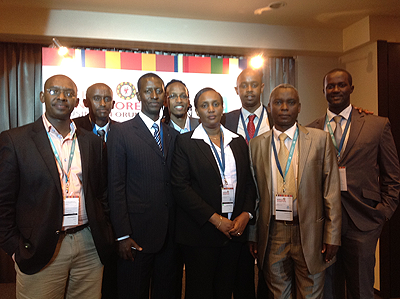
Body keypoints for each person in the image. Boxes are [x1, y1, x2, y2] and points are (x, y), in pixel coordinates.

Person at [0, 74, 114, 298]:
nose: (62, 97)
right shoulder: (15, 140)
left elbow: (100, 193)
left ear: (77, 100)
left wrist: (106, 234)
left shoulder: (92, 142)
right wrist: (15, 248)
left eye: (69, 93)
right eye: (54, 91)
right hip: (40, 246)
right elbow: (3, 202)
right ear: (42, 96)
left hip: (88, 243)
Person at [307, 69, 400, 299]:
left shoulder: (377, 125)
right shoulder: (311, 130)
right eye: (330, 86)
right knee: (327, 288)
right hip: (324, 223)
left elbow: (393, 176)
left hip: (364, 220)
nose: (336, 90)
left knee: (361, 288)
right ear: (323, 90)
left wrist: (383, 212)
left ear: (351, 88)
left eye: (341, 85)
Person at [249, 83, 342, 298]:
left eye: (290, 103)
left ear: (299, 107)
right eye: (278, 103)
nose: (284, 108)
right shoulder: (256, 145)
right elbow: (254, 194)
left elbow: (331, 191)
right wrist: (253, 233)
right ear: (269, 106)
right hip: (273, 232)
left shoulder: (320, 139)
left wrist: (333, 235)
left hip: (310, 232)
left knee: (310, 294)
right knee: (278, 294)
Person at [171, 87, 256, 299]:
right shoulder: (185, 142)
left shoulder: (237, 142)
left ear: (223, 108)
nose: (211, 110)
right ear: (196, 111)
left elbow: (248, 183)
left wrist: (246, 214)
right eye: (204, 105)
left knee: (225, 291)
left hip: (234, 233)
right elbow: (181, 188)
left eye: (215, 104)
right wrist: (216, 220)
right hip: (200, 235)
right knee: (200, 292)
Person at [107, 73, 180, 299]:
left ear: (165, 97)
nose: (154, 95)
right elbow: (115, 185)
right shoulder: (121, 131)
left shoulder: (173, 134)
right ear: (138, 95)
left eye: (159, 91)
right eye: (148, 91)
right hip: (136, 235)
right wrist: (122, 235)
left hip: (170, 235)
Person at [222, 67, 273, 299]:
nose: (249, 90)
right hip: (237, 204)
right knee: (239, 270)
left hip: (271, 203)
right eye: (244, 85)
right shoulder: (225, 119)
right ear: (236, 90)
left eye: (254, 85)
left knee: (270, 267)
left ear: (262, 87)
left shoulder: (278, 116)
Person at [74, 82, 118, 299]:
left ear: (114, 103)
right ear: (85, 102)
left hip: (115, 215)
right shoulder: (73, 128)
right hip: (85, 219)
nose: (103, 103)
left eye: (107, 98)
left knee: (112, 280)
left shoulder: (123, 131)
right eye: (97, 98)